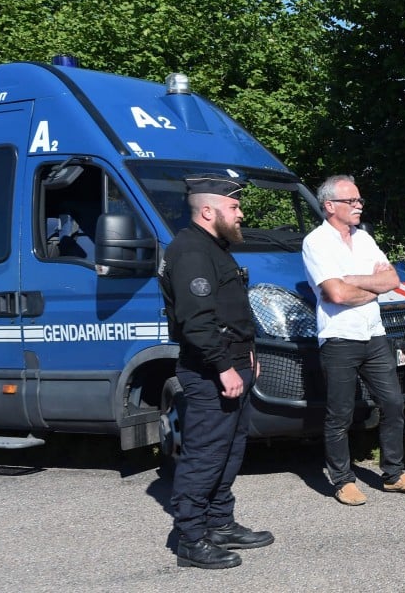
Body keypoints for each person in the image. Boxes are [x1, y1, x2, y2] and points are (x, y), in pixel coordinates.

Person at [159, 173, 274, 569]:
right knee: (205, 455)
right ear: (208, 211)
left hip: (233, 364)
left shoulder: (213, 247)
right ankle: (191, 539)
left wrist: (248, 355)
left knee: (229, 450)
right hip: (211, 370)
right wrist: (225, 367)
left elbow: (230, 313)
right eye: (234, 207)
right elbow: (197, 321)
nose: (240, 214)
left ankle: (219, 524)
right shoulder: (191, 251)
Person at [302, 175, 405, 505]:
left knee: (392, 402)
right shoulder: (316, 242)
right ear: (330, 206)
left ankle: (393, 474)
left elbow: (392, 279)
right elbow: (335, 293)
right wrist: (371, 287)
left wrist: (353, 281)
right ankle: (342, 480)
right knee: (340, 414)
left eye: (359, 200)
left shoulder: (364, 239)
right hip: (339, 337)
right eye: (352, 201)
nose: (359, 205)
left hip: (374, 334)